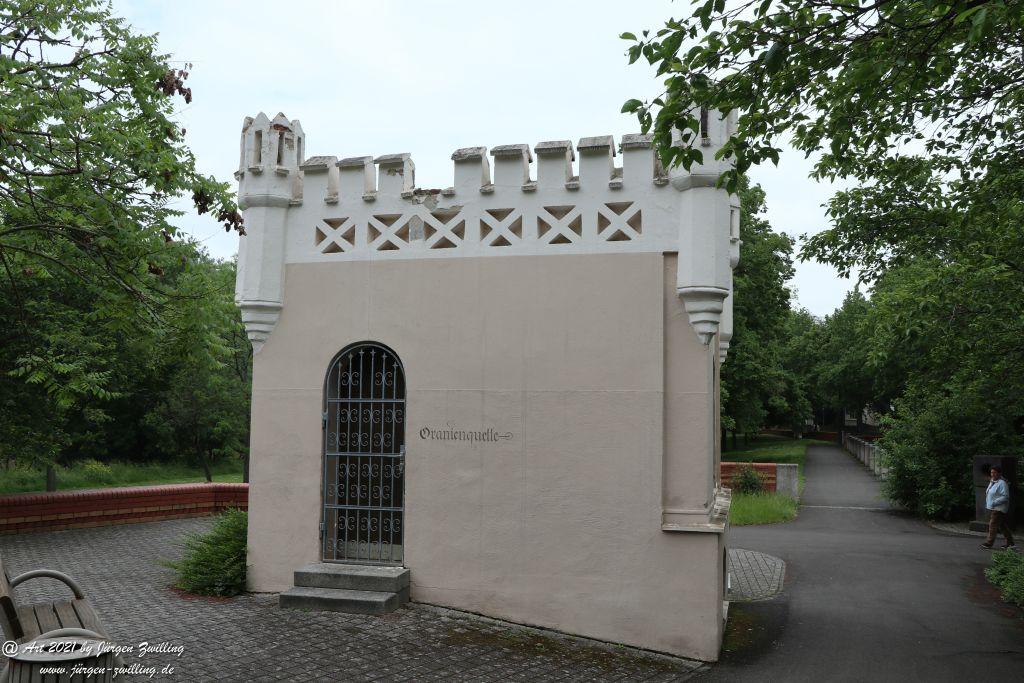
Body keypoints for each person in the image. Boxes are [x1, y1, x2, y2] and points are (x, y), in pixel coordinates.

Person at [981, 466, 1016, 550]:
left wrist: (994, 502)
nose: (992, 474)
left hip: (999, 508)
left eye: (995, 472)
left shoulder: (1002, 483)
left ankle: (989, 543)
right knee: (1002, 525)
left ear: (999, 473)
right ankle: (1010, 543)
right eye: (991, 472)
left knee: (992, 524)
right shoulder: (993, 481)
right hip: (994, 507)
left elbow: (1005, 497)